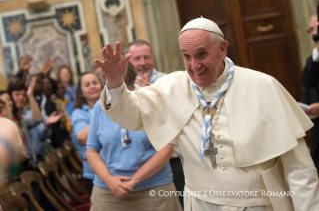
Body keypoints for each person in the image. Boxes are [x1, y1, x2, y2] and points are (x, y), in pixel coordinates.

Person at [96, 17, 319, 211]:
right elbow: (130, 115)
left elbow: (299, 168)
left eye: (201, 54)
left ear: (222, 48)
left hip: (260, 204)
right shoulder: (172, 87)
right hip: (200, 203)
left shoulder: (263, 86)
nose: (194, 66)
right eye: (186, 56)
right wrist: (115, 82)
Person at [86, 62, 182, 211]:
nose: (105, 84)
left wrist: (133, 181)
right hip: (108, 192)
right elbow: (92, 150)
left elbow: (167, 148)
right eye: (104, 81)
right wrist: (110, 181)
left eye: (110, 79)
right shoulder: (100, 106)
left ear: (126, 78)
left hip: (154, 189)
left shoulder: (151, 100)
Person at [125, 39, 185, 207]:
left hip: (173, 160)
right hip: (142, 163)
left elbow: (178, 115)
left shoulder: (168, 81)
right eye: (137, 59)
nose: (143, 63)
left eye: (147, 57)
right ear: (128, 62)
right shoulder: (124, 88)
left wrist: (150, 93)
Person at [71, 72, 102, 195]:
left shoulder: (115, 105)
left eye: (95, 83)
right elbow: (82, 138)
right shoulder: (79, 113)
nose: (92, 86)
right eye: (87, 85)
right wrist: (101, 110)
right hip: (94, 173)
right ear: (81, 92)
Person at [300, 15, 319, 175]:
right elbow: (308, 84)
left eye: (316, 29)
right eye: (311, 30)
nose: (314, 34)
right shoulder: (314, 58)